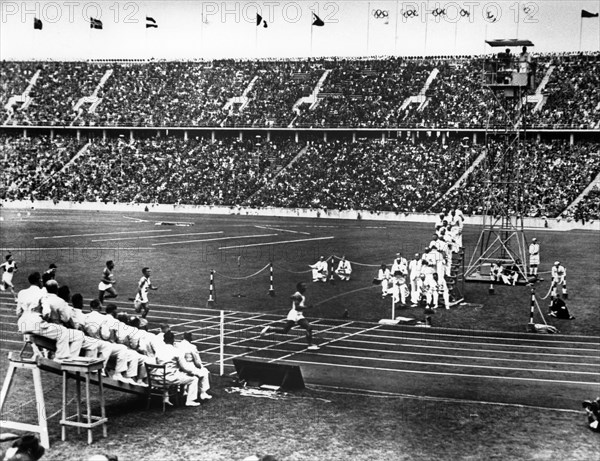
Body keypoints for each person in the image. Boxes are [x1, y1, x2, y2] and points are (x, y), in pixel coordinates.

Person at [16, 272, 84, 361]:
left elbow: (18, 312)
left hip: (22, 323)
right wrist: (44, 319)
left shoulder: (22, 293)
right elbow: (47, 312)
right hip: (35, 322)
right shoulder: (42, 293)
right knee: (62, 331)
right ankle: (61, 357)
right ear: (40, 280)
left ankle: (62, 356)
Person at [260, 282, 320, 350]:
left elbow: (293, 298)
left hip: (299, 315)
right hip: (294, 314)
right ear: (299, 288)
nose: (305, 287)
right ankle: (269, 328)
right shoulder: (298, 296)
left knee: (309, 327)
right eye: (303, 286)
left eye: (305, 286)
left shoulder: (299, 295)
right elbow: (297, 308)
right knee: (284, 331)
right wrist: (307, 307)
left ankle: (310, 345)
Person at [153, 331, 201, 407]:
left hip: (158, 377)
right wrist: (193, 372)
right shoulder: (176, 351)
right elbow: (184, 367)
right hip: (170, 378)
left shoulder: (158, 350)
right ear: (173, 340)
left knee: (172, 373)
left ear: (164, 340)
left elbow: (155, 362)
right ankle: (190, 400)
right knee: (194, 379)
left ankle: (166, 399)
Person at [176, 332, 212, 400]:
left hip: (179, 366)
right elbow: (197, 361)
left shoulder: (177, 345)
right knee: (205, 371)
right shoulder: (192, 347)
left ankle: (185, 390)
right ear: (190, 338)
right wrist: (200, 366)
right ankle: (203, 392)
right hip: (189, 365)